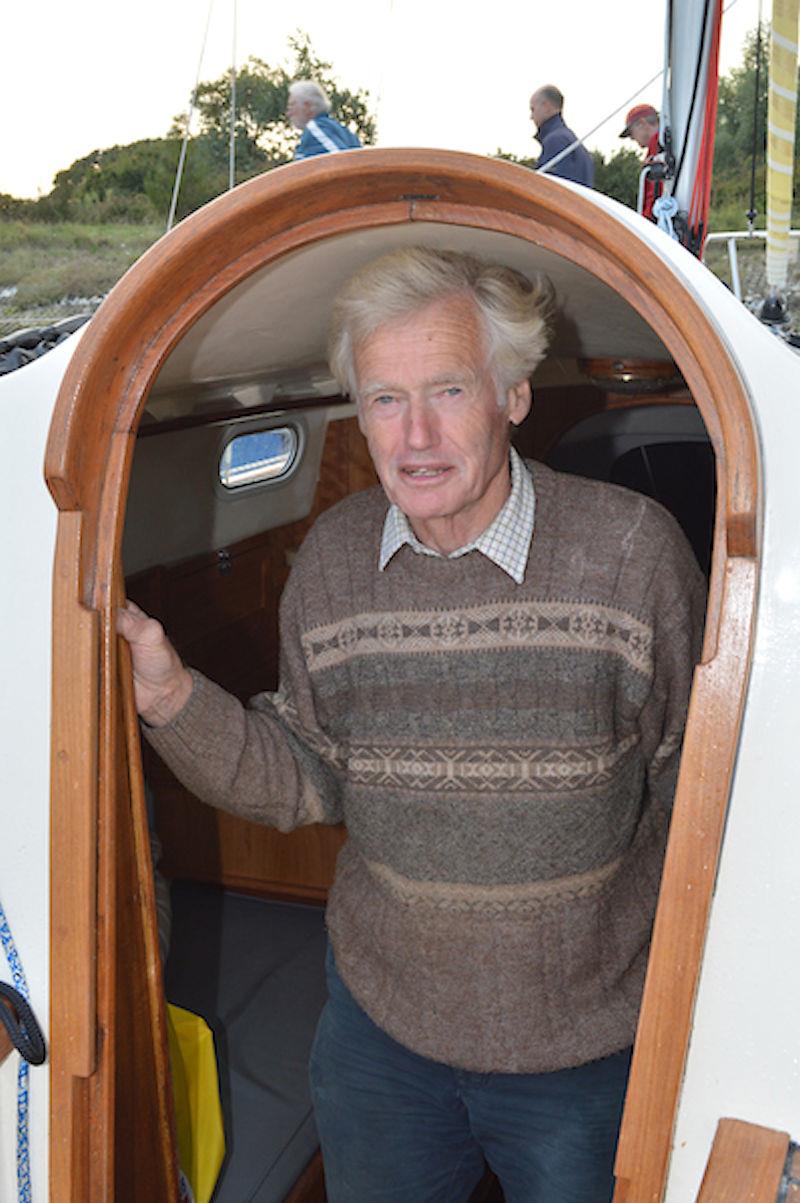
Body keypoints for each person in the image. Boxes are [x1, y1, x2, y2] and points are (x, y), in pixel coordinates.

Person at [118, 247, 705, 1203]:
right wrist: (169, 696)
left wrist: (703, 1000)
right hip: (379, 1040)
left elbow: (697, 786)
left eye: (447, 389)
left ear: (512, 394)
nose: (416, 434)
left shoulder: (633, 552)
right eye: (385, 399)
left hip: (586, 1051)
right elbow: (304, 774)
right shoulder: (335, 563)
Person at [529, 85, 594, 187]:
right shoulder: (573, 142)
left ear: (546, 106)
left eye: (533, 109)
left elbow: (549, 190)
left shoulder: (556, 141)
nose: (531, 117)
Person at [287, 79, 362, 161]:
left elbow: (342, 161)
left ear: (307, 106)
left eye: (292, 105)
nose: (289, 113)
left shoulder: (316, 128)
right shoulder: (342, 130)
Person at [620, 103, 662, 221]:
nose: (632, 138)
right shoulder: (662, 143)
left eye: (631, 133)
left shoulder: (657, 145)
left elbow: (653, 194)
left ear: (642, 123)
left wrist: (645, 222)